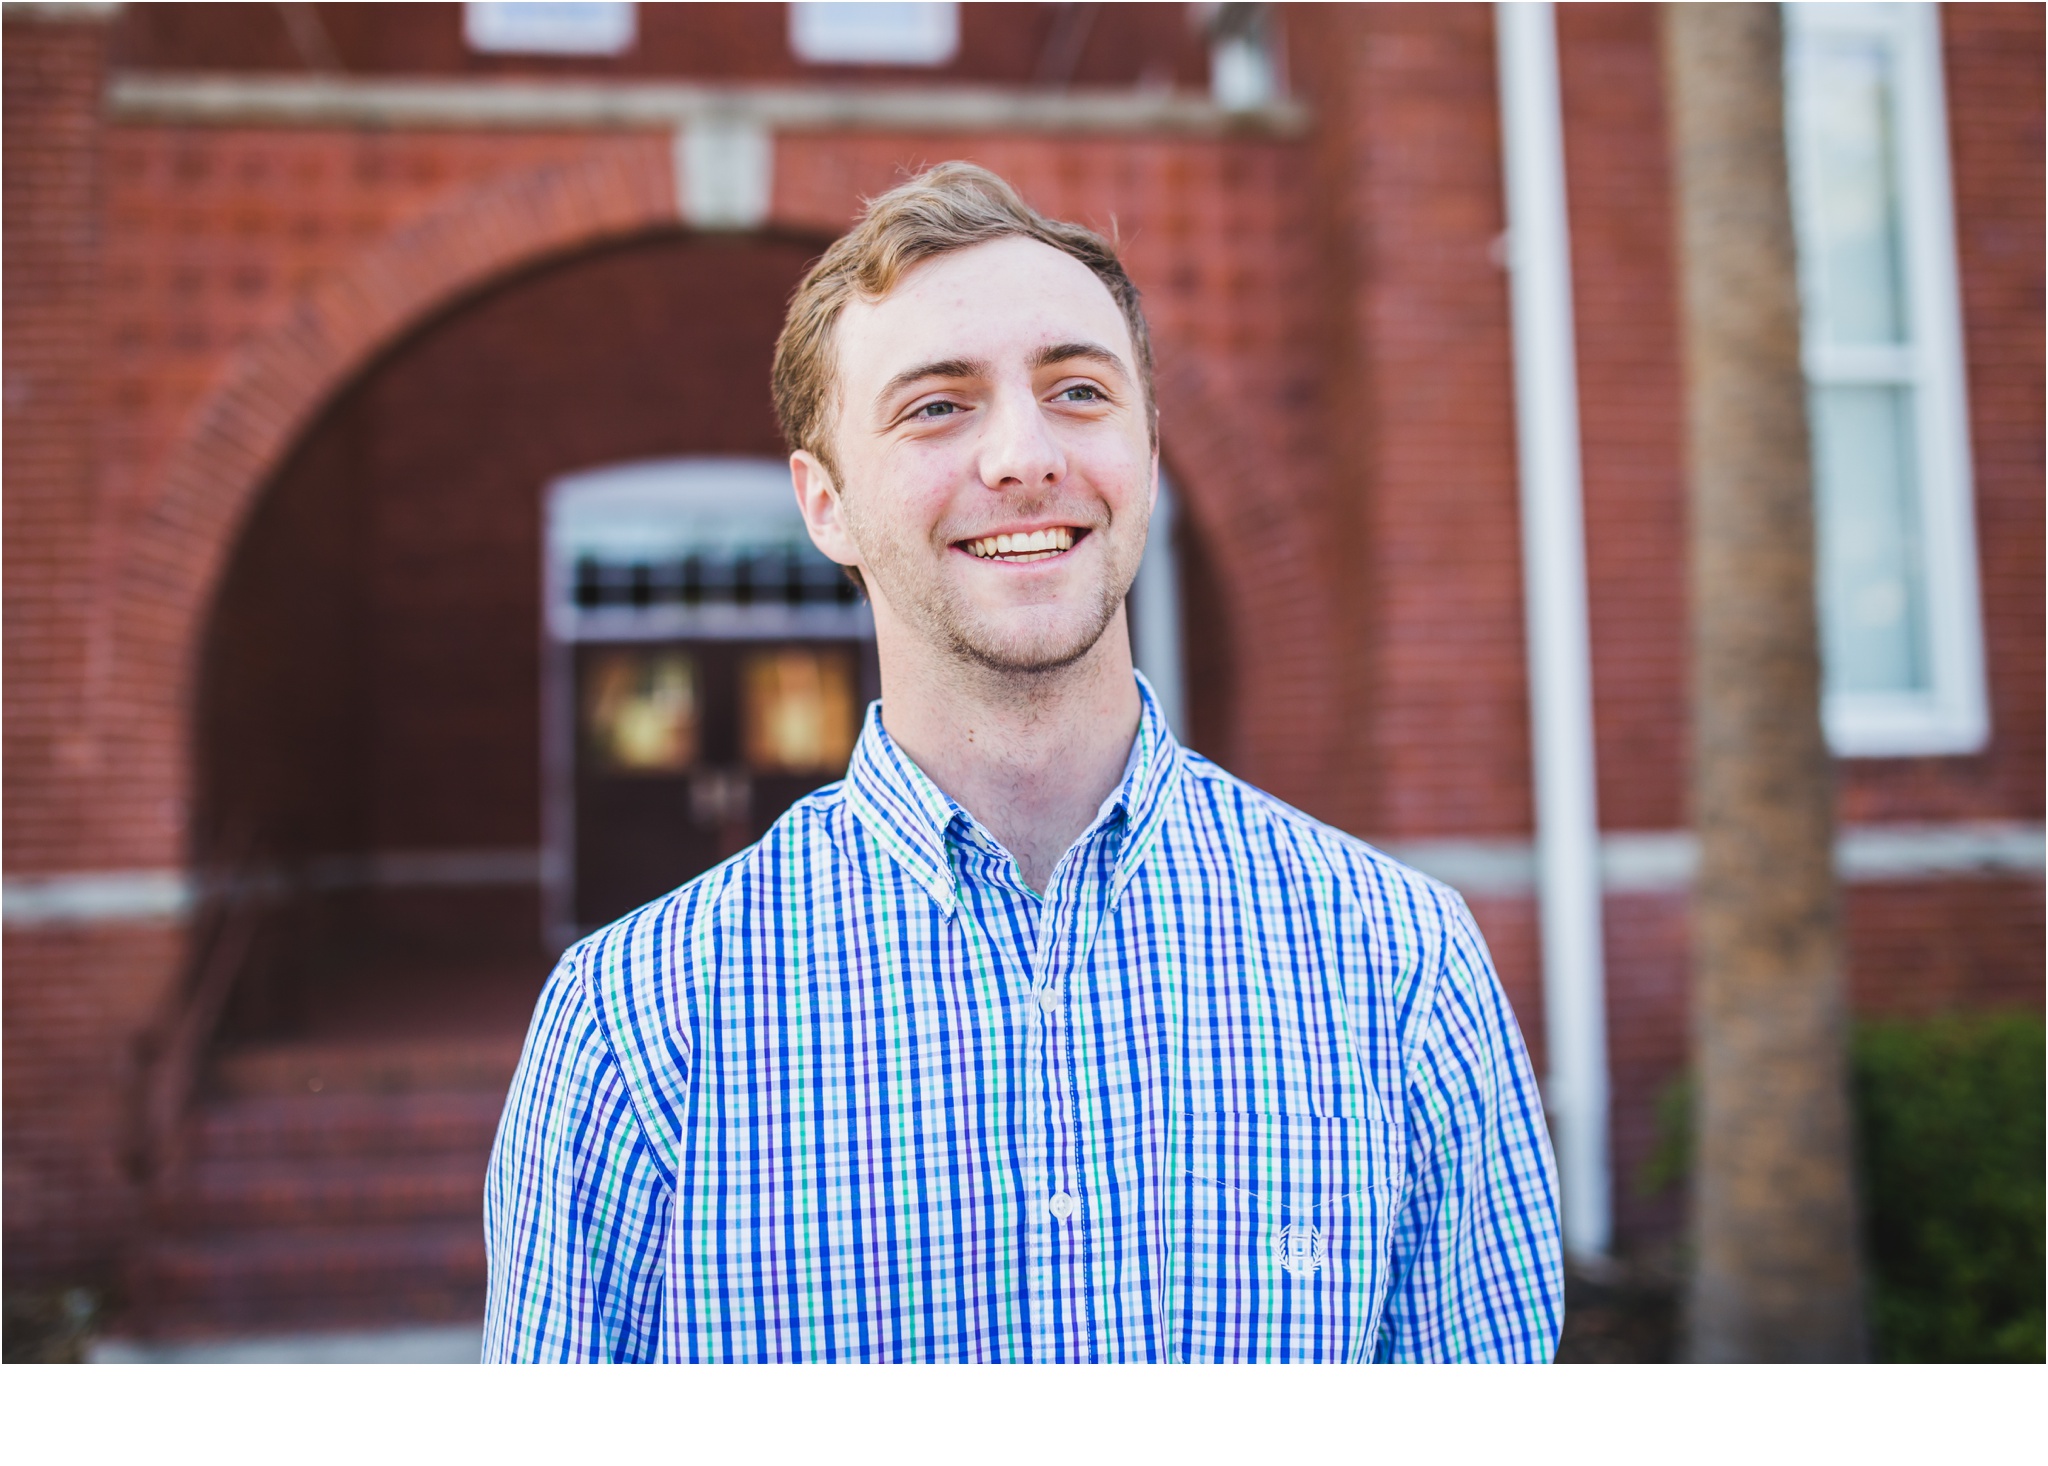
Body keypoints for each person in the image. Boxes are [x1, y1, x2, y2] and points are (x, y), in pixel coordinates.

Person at [483, 162, 1563, 1363]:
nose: (1020, 455)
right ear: (824, 502)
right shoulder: (638, 1025)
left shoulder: (1400, 965)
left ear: (1148, 451)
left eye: (1077, 389)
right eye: (935, 406)